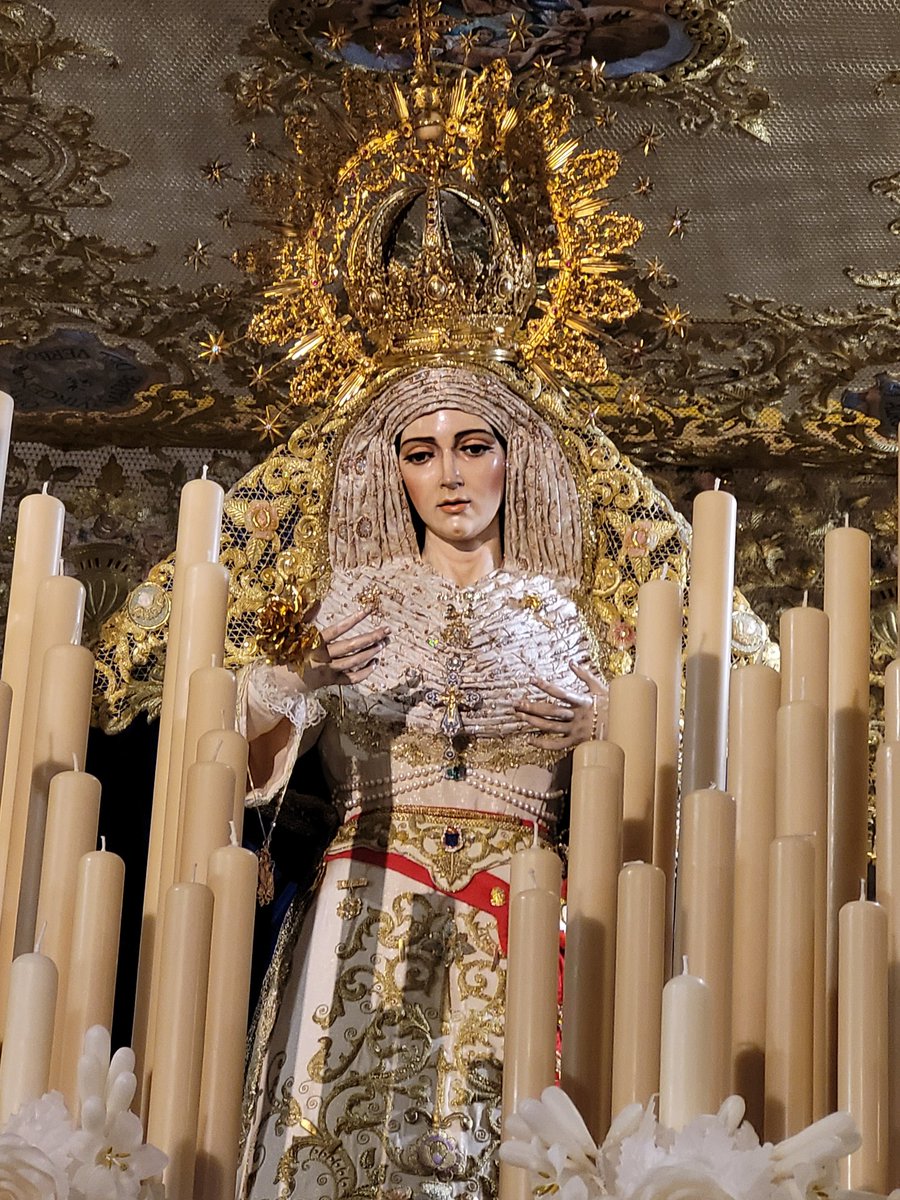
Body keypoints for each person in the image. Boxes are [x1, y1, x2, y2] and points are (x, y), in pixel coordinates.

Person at [235, 364, 609, 1200]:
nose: (448, 474)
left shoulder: (568, 619)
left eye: (472, 447)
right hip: (368, 901)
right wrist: (298, 679)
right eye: (422, 453)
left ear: (513, 462)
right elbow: (238, 754)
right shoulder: (352, 602)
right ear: (393, 472)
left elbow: (664, 780)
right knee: (343, 1138)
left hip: (524, 903)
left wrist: (606, 735)